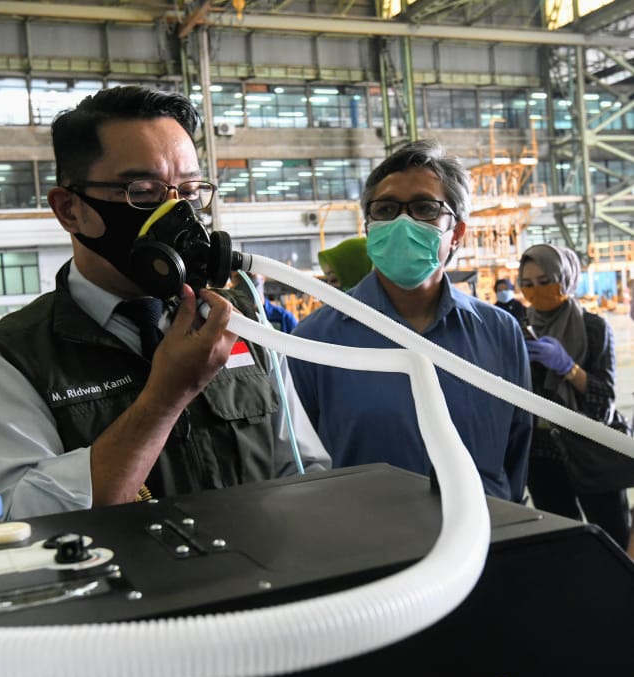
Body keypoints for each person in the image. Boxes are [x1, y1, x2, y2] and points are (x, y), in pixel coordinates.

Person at [0, 85, 329, 520]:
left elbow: (304, 467)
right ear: (69, 210)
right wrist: (165, 398)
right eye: (143, 192)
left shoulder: (237, 316)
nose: (176, 215)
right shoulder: (2, 361)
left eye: (188, 192)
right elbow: (20, 526)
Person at [289, 140, 532, 503]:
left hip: (488, 542)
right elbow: (299, 465)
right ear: (369, 227)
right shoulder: (314, 342)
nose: (402, 222)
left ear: (458, 233)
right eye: (385, 209)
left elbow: (516, 451)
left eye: (424, 208)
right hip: (370, 550)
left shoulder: (498, 332)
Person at [518, 243, 630, 546]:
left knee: (612, 536)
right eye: (527, 284)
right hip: (542, 453)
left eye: (545, 281)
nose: (536, 291)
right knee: (563, 541)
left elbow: (603, 401)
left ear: (565, 277)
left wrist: (568, 368)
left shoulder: (593, 328)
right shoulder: (518, 328)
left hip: (591, 448)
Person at [230, 271, 298, 333]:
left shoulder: (285, 319)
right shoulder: (229, 318)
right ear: (232, 283)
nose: (246, 281)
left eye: (249, 275)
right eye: (239, 277)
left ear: (263, 278)